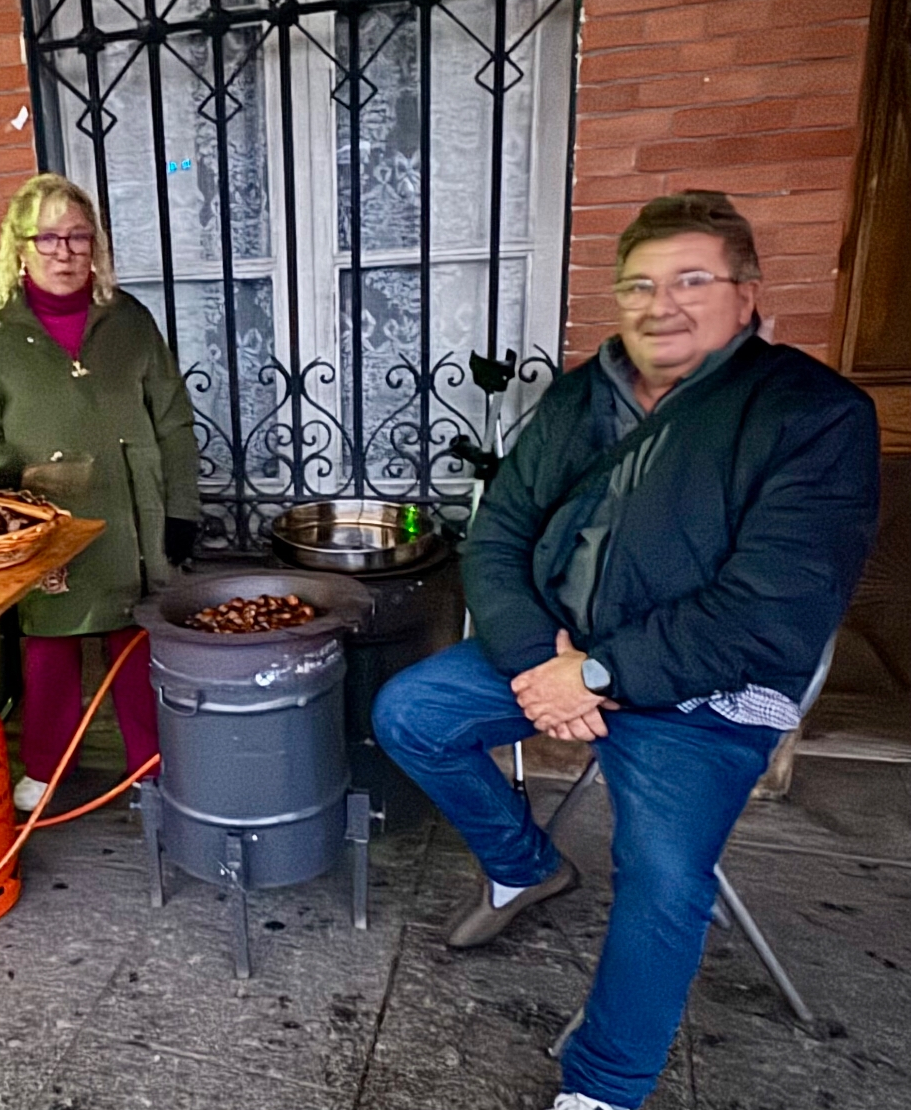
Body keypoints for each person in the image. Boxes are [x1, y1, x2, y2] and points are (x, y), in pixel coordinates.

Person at [373, 191, 879, 1110]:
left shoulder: (812, 414)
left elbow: (770, 614)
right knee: (410, 711)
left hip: (702, 692)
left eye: (693, 279)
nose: (661, 304)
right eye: (640, 284)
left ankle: (603, 1087)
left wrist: (596, 675)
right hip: (558, 654)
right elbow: (496, 538)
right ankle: (527, 865)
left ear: (750, 295)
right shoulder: (580, 397)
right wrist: (540, 661)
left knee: (665, 874)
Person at [0, 173, 201, 812]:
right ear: (21, 247)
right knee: (50, 648)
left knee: (135, 645)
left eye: (78, 237)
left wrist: (181, 510)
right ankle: (47, 766)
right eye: (48, 237)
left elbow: (172, 419)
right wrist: (5, 476)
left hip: (131, 517)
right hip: (46, 521)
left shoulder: (129, 320)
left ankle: (150, 764)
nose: (64, 252)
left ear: (96, 246)